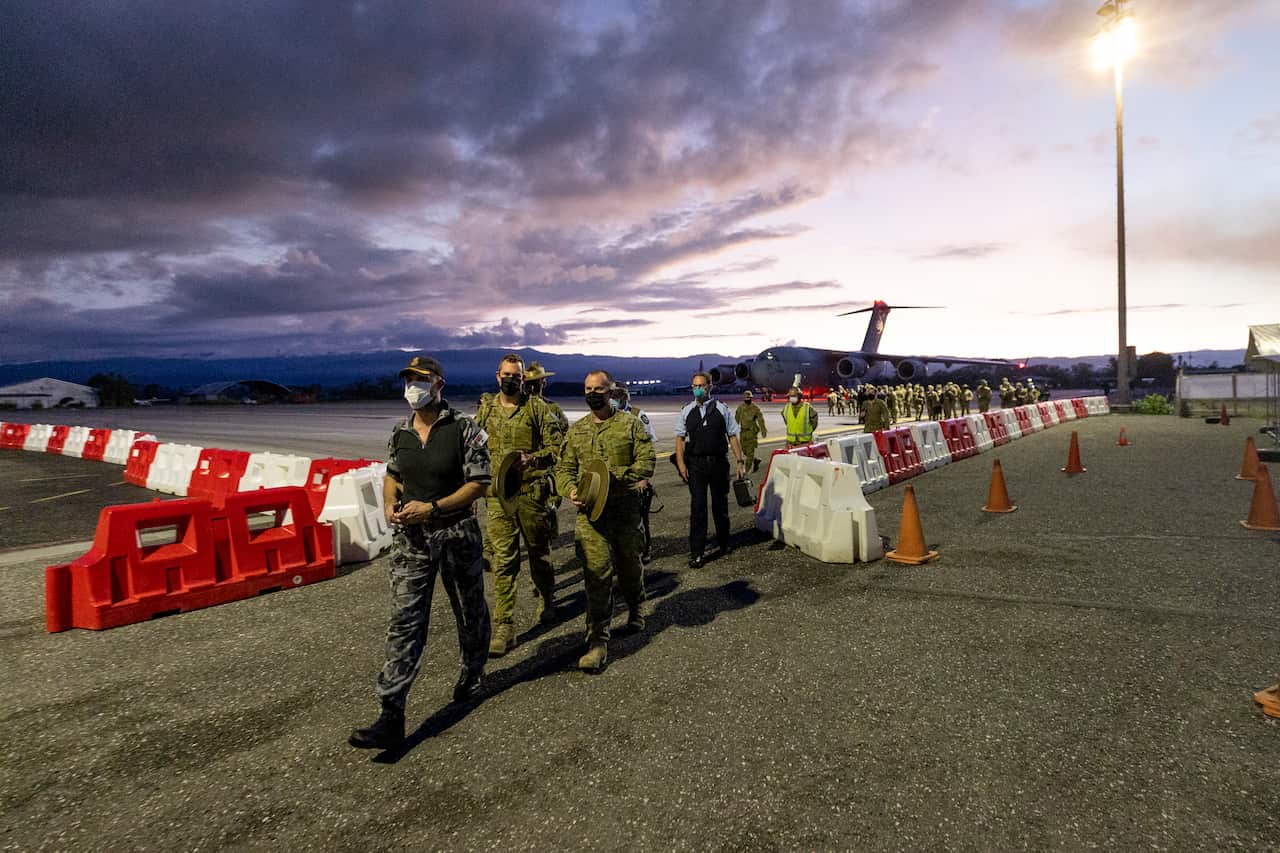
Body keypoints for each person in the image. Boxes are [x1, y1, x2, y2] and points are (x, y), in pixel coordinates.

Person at [349, 356, 491, 751]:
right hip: (411, 542)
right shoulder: (399, 432)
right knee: (405, 622)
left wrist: (434, 508)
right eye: (409, 379)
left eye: (420, 380)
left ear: (438, 384)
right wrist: (391, 504)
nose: (412, 386)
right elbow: (393, 475)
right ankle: (391, 714)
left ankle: (473, 670)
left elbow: (479, 482)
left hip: (457, 533)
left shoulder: (464, 427)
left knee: (470, 608)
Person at [554, 370, 655, 672]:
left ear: (611, 392)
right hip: (590, 517)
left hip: (624, 512)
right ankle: (598, 640)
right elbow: (564, 468)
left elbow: (647, 461)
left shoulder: (630, 425)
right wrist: (570, 489)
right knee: (596, 575)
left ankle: (636, 606)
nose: (593, 393)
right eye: (588, 388)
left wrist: (616, 479)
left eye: (599, 388)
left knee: (629, 567)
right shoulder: (577, 431)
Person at [474, 354, 564, 657]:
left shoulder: (537, 409)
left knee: (539, 554)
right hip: (499, 498)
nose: (512, 379)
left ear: (524, 379)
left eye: (517, 375)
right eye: (507, 374)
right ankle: (504, 625)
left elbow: (557, 449)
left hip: (531, 493)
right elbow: (474, 448)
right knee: (503, 561)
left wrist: (534, 458)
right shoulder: (486, 411)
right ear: (498, 376)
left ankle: (547, 600)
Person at [675, 372, 748, 569]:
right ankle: (697, 552)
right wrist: (681, 464)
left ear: (710, 386)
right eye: (694, 385)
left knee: (720, 506)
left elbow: (732, 436)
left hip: (718, 464)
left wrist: (739, 461)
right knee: (697, 508)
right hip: (696, 466)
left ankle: (724, 543)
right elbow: (680, 439)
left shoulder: (722, 409)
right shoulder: (686, 411)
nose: (697, 389)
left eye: (701, 385)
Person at [610, 381, 657, 564]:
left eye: (616, 396)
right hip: (616, 477)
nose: (612, 400)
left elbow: (648, 447)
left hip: (635, 476)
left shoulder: (638, 415)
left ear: (624, 397)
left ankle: (644, 549)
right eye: (611, 396)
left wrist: (643, 478)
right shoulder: (609, 416)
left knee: (639, 518)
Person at [735, 390, 768, 473]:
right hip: (743, 432)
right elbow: (736, 419)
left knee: (750, 452)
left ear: (751, 398)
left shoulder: (755, 408)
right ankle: (755, 460)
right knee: (744, 450)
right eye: (746, 398)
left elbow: (760, 420)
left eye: (749, 398)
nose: (747, 399)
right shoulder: (740, 408)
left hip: (752, 433)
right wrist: (733, 430)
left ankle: (746, 469)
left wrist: (763, 430)